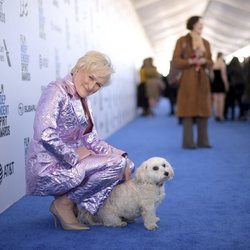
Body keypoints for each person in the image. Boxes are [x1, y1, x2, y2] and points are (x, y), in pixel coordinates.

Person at [26, 51, 135, 230]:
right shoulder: (56, 90)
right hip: (49, 165)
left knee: (126, 165)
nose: (92, 86)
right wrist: (74, 155)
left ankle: (86, 207)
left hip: (69, 163)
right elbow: (44, 132)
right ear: (78, 68)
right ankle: (65, 204)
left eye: (98, 84)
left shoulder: (83, 99)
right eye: (91, 77)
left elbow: (91, 139)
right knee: (116, 165)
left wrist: (121, 156)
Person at [171, 16, 213, 149]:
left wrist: (205, 61)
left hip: (203, 80)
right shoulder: (182, 40)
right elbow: (176, 60)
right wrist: (191, 61)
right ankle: (188, 142)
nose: (202, 25)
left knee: (203, 110)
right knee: (187, 110)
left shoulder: (206, 42)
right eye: (199, 23)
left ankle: (203, 141)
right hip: (188, 79)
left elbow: (211, 61)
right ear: (192, 24)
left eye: (202, 23)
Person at [211, 52, 229, 121]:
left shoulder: (214, 64)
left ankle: (216, 115)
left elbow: (212, 76)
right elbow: (223, 75)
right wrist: (226, 84)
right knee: (221, 101)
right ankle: (220, 115)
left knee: (215, 101)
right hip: (221, 83)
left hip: (215, 83)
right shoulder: (222, 64)